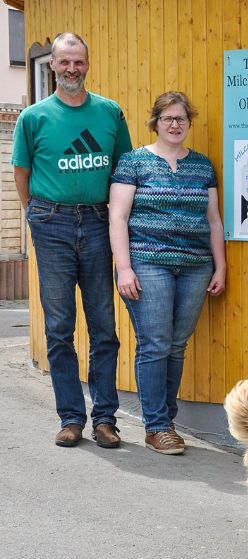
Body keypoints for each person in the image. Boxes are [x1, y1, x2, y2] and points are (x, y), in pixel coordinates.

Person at [12, 32, 132, 449]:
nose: (71, 69)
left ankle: (105, 420)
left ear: (87, 63)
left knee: (103, 327)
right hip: (52, 224)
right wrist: (34, 214)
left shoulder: (110, 114)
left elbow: (123, 171)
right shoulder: (34, 117)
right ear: (54, 66)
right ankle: (70, 417)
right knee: (60, 327)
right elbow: (22, 173)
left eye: (78, 62)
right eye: (64, 62)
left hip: (99, 223)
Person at [109, 91, 226, 456]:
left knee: (176, 346)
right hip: (148, 262)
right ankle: (156, 425)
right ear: (155, 122)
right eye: (168, 119)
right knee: (155, 344)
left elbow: (213, 219)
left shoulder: (203, 166)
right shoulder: (134, 162)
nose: (175, 125)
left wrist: (220, 265)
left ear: (189, 123)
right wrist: (124, 268)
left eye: (181, 119)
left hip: (195, 266)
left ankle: (166, 422)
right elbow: (118, 216)